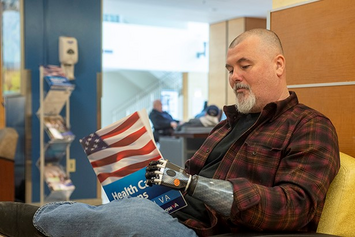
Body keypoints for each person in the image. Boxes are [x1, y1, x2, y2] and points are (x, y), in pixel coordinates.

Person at [0, 29, 340, 237]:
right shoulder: (227, 125)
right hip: (173, 215)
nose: (234, 76)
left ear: (278, 65)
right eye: (229, 68)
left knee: (129, 217)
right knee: (123, 208)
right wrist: (142, 175)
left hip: (210, 232)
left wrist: (193, 184)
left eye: (244, 66)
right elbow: (186, 177)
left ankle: (25, 221)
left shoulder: (310, 126)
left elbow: (295, 206)